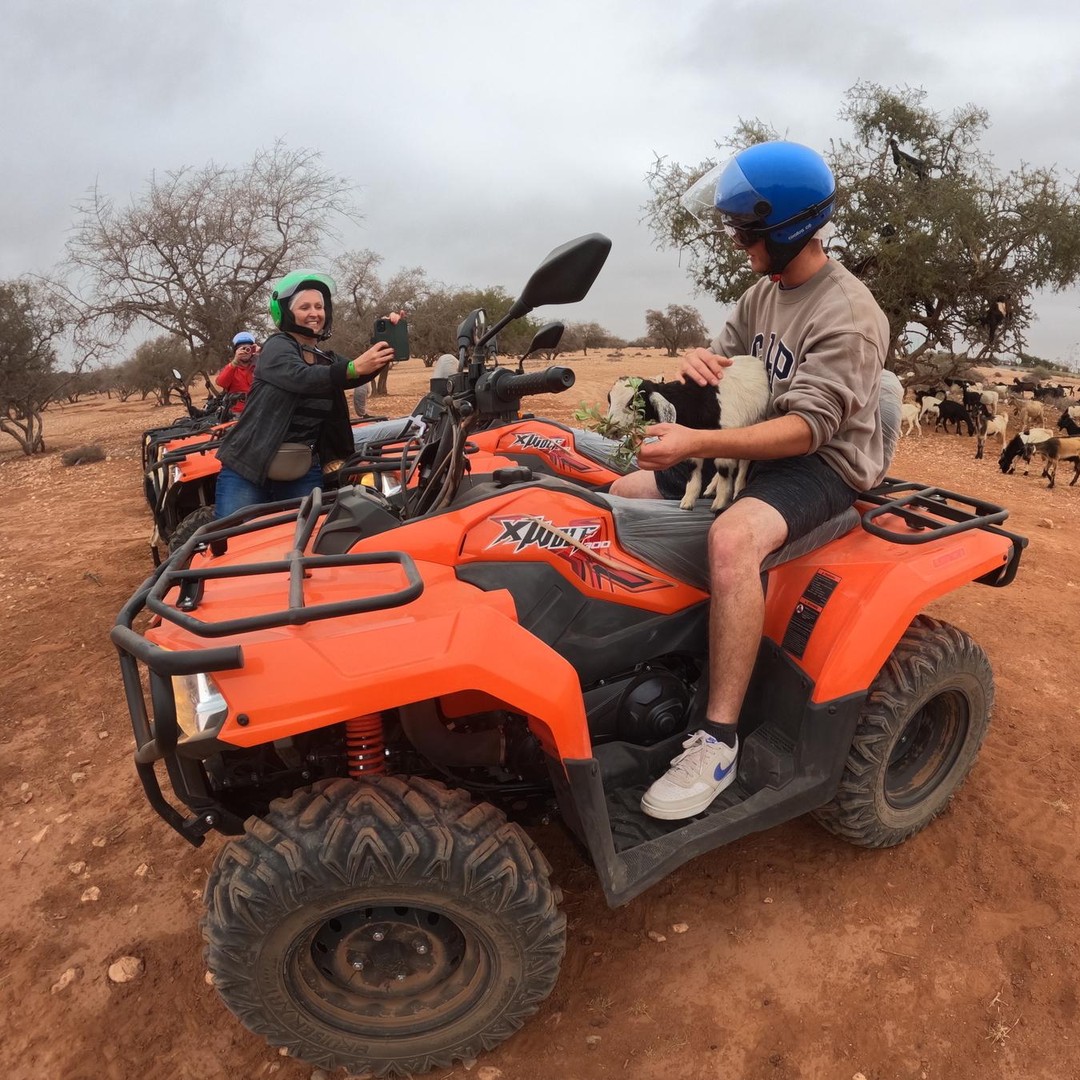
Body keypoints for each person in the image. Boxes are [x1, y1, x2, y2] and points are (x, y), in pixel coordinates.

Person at [609, 140, 890, 821]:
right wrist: (701, 359)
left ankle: (718, 738)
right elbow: (734, 364)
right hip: (754, 448)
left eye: (744, 229)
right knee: (622, 494)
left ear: (786, 228)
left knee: (734, 541)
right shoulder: (762, 291)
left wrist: (696, 442)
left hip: (820, 464)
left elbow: (809, 429)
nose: (736, 241)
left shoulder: (849, 316)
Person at [214, 271, 395, 518]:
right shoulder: (277, 347)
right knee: (233, 541)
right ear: (286, 312)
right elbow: (300, 376)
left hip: (299, 467)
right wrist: (352, 368)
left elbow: (357, 373)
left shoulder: (325, 358)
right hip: (247, 466)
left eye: (319, 306)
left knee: (304, 541)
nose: (315, 313)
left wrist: (386, 344)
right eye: (305, 306)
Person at [213, 332, 260, 412]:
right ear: (235, 351)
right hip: (238, 413)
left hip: (259, 410)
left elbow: (275, 375)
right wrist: (235, 361)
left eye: (248, 348)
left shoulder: (260, 365)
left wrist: (262, 353)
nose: (245, 351)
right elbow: (221, 382)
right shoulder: (231, 368)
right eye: (241, 349)